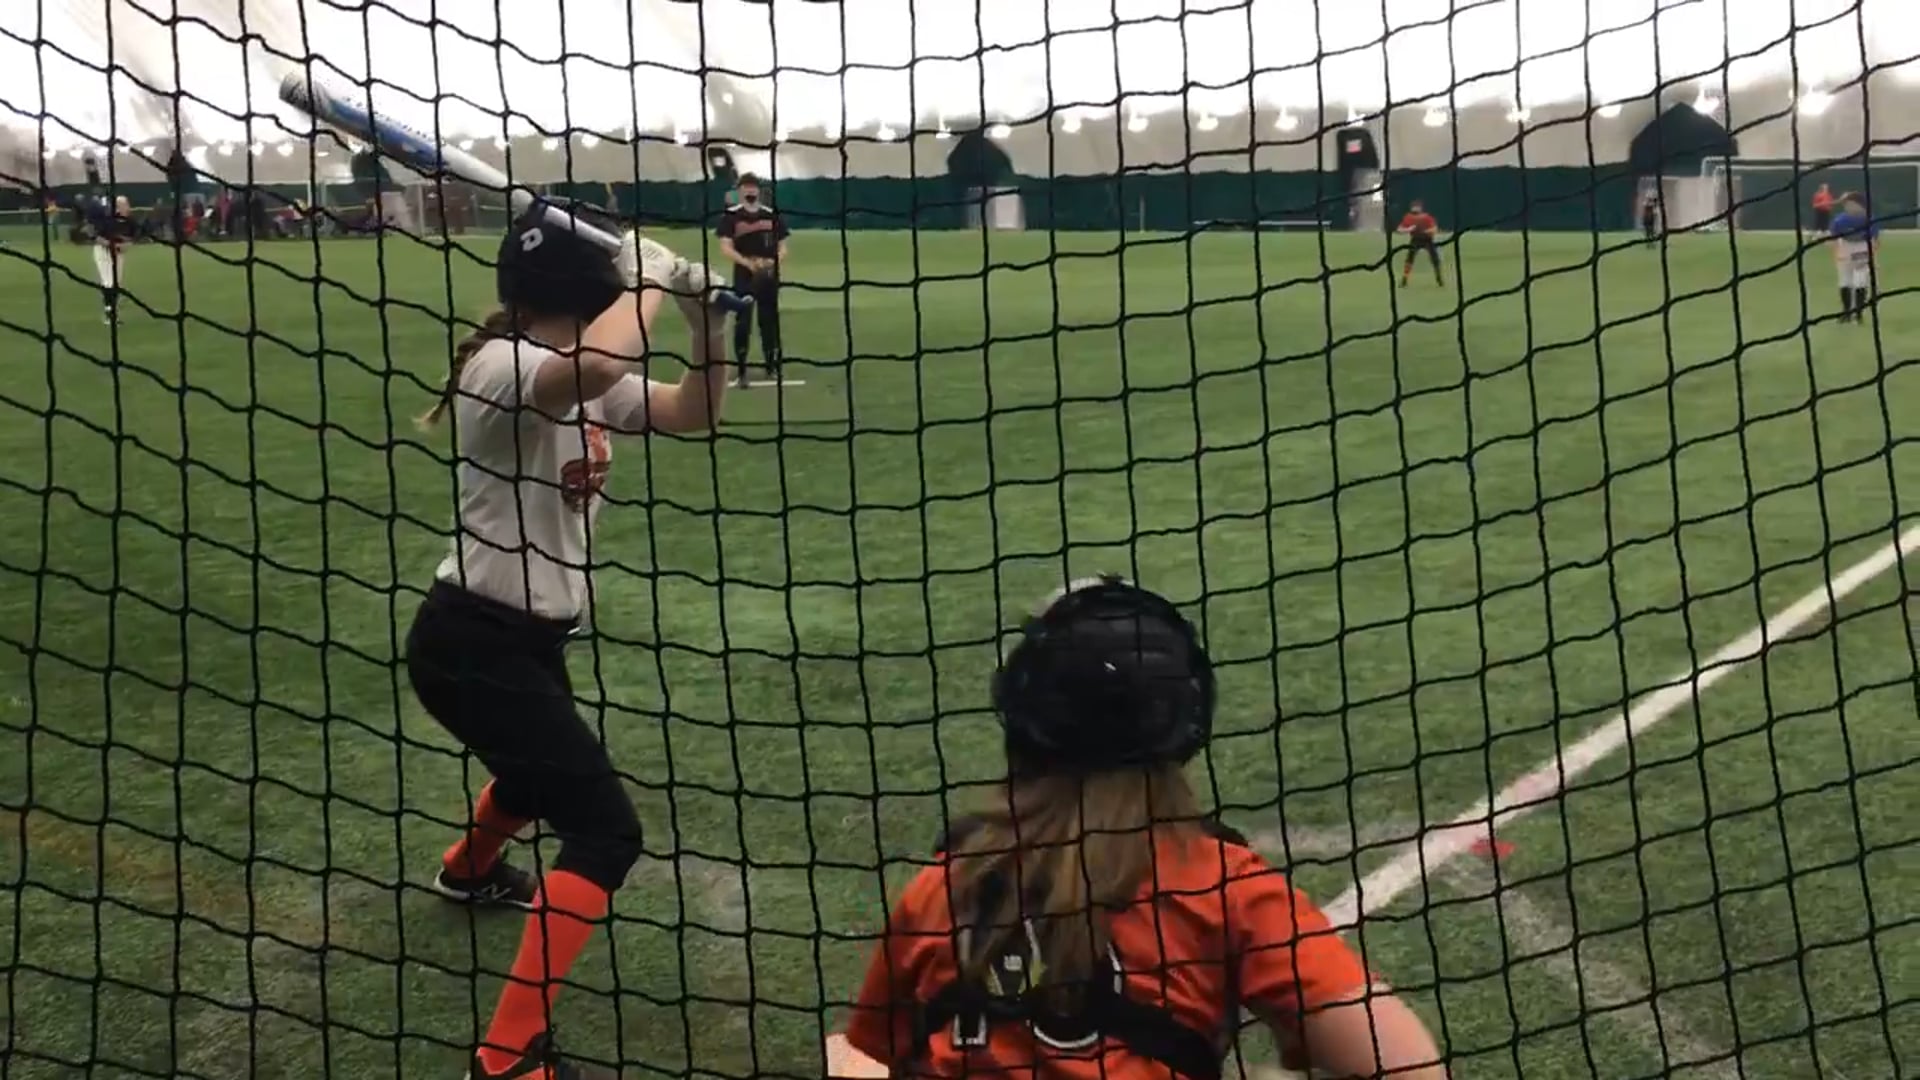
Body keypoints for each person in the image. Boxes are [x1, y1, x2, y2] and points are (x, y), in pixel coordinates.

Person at [830, 576, 1447, 1080]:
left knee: (845, 1053)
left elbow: (867, 1057)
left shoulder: (947, 886)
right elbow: (1411, 1071)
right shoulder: (1223, 887)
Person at [404, 199, 750, 1080]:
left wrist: (706, 327)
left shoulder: (571, 369)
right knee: (604, 832)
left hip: (522, 641)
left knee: (534, 777)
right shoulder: (502, 366)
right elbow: (598, 363)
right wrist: (650, 278)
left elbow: (690, 412)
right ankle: (507, 1059)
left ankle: (468, 871)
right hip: (472, 641)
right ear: (591, 283)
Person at [716, 172, 789, 385]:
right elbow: (725, 247)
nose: (750, 190)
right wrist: (748, 263)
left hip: (768, 277)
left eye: (753, 187)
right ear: (739, 191)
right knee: (743, 321)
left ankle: (771, 366)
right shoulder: (731, 217)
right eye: (745, 187)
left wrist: (773, 262)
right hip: (744, 276)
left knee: (769, 321)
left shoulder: (771, 215)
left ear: (758, 190)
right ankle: (741, 370)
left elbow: (783, 246)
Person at [1829, 193, 1878, 324]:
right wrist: (1837, 253)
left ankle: (1858, 313)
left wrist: (1870, 254)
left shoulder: (1869, 219)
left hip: (1862, 247)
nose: (1847, 207)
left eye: (1850, 204)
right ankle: (1846, 312)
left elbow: (1874, 239)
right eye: (1846, 204)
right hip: (1846, 246)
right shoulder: (1840, 220)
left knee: (1860, 281)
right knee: (1845, 281)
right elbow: (1833, 238)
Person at [87, 194, 135, 324]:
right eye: (125, 205)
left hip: (118, 254)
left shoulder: (130, 221)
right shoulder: (108, 220)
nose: (128, 207)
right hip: (103, 253)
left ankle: (112, 312)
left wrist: (125, 245)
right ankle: (110, 314)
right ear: (118, 207)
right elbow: (96, 236)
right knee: (109, 282)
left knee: (116, 284)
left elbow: (132, 238)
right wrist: (112, 245)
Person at [1397, 200, 1443, 288]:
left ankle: (1439, 278)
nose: (1415, 209)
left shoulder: (1426, 217)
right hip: (1415, 239)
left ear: (1420, 208)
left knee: (1435, 259)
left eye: (1417, 207)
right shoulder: (1408, 217)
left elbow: (1434, 229)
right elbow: (1399, 229)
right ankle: (1404, 280)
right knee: (1409, 259)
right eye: (1414, 207)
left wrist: (1425, 231)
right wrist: (1409, 229)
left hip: (1427, 239)